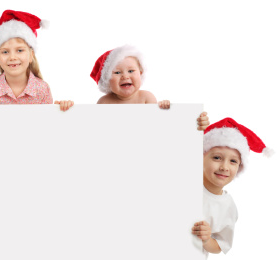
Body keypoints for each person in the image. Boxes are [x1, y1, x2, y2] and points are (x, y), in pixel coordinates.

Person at [192, 117, 272, 257]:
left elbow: (220, 245)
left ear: (239, 167)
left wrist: (206, 240)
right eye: (217, 157)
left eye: (233, 161)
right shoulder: (186, 180)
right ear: (202, 157)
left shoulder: (227, 206)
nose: (224, 167)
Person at [0, 10, 73, 111]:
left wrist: (61, 110)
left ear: (31, 55)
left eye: (19, 50)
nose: (12, 57)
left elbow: (49, 123)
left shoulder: (42, 89)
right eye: (5, 52)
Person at [91, 44, 209, 130]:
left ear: (140, 73)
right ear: (106, 80)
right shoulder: (104, 102)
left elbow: (157, 126)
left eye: (131, 71)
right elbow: (97, 129)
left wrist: (165, 109)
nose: (125, 76)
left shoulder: (146, 97)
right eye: (117, 73)